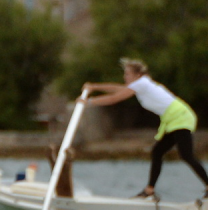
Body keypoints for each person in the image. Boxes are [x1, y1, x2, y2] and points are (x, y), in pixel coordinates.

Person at [83, 58, 208, 199]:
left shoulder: (142, 84)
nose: (125, 77)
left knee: (186, 155)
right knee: (157, 152)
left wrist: (89, 102)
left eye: (128, 74)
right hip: (173, 119)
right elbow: (118, 89)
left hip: (180, 116)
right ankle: (149, 190)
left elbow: (114, 98)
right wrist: (94, 87)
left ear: (137, 75)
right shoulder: (141, 85)